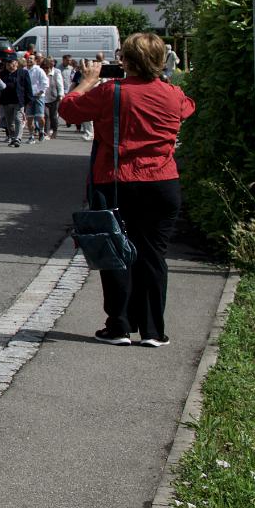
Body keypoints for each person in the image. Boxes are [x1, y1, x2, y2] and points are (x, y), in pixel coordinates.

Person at [59, 34, 195, 348]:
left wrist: (87, 80)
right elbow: (187, 108)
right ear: (161, 62)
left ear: (126, 62)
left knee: (116, 252)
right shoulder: (173, 94)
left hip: (117, 181)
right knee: (153, 255)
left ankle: (119, 326)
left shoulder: (110, 92)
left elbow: (69, 109)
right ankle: (152, 330)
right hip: (162, 182)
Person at [0, 58, 22, 147]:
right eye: (7, 64)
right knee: (9, 122)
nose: (9, 66)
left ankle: (18, 138)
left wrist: (28, 100)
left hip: (18, 101)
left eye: (11, 64)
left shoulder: (22, 73)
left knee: (18, 119)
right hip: (6, 100)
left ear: (16, 64)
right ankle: (12, 137)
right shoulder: (2, 73)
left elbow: (27, 86)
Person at [26, 56, 48, 143]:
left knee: (40, 117)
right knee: (29, 118)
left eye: (31, 59)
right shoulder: (24, 70)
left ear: (35, 61)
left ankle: (41, 131)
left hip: (39, 96)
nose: (29, 60)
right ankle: (31, 136)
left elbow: (45, 82)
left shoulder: (39, 70)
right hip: (28, 97)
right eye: (28, 58)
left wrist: (41, 92)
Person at [43, 56, 65, 139]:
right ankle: (46, 133)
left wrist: (61, 95)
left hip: (54, 97)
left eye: (51, 63)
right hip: (44, 97)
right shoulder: (42, 71)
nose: (47, 67)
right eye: (46, 64)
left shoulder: (56, 72)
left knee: (53, 116)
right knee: (46, 115)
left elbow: (60, 84)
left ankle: (55, 131)